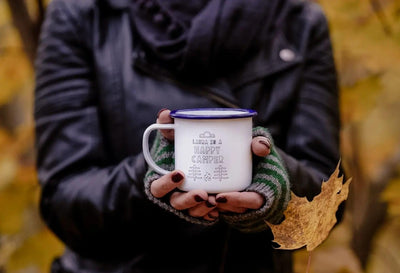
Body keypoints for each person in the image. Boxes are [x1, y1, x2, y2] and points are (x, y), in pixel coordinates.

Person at [34, 0, 341, 272]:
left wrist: (273, 183)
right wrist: (152, 173)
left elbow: (328, 206)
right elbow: (64, 204)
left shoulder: (299, 21)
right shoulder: (83, 13)